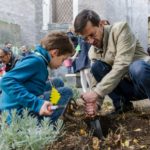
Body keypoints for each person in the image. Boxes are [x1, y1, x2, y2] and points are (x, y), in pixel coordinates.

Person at [74, 9, 150, 116]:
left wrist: (97, 93)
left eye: (92, 35)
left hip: (144, 81)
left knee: (137, 67)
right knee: (97, 67)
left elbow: (122, 64)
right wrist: (96, 104)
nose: (90, 41)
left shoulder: (120, 29)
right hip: (129, 89)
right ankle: (122, 106)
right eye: (85, 39)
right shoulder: (93, 52)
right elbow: (96, 83)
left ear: (101, 24)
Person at [0, 31, 74, 123]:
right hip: (16, 115)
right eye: (63, 59)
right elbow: (6, 81)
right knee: (66, 92)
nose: (62, 64)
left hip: (17, 107)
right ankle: (45, 128)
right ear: (55, 52)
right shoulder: (36, 61)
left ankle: (50, 112)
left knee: (58, 82)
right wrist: (37, 104)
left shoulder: (39, 59)